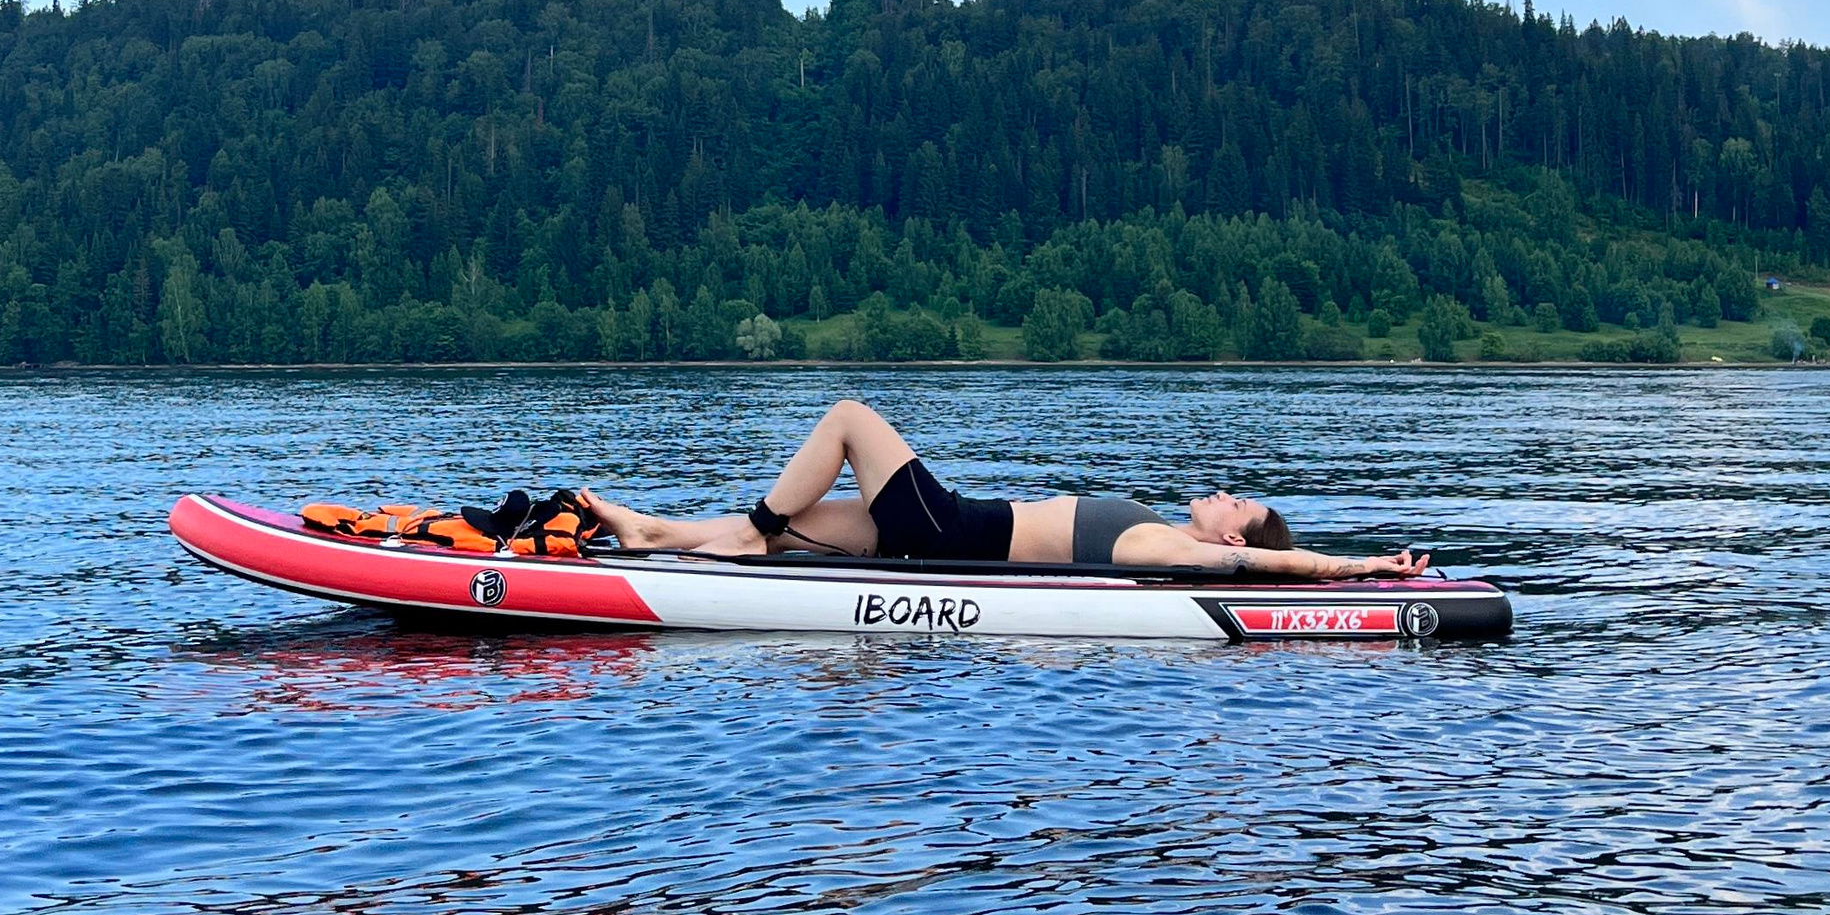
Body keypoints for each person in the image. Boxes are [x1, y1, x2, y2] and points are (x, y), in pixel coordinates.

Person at [580, 398, 1426, 580]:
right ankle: (653, 534)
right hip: (942, 531)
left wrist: (1356, 569)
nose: (1223, 495)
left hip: (947, 530)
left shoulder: (1168, 548)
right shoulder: (1162, 529)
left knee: (846, 418)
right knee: (798, 530)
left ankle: (745, 528)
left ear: (1232, 538)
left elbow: (1265, 573)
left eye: (1239, 506)